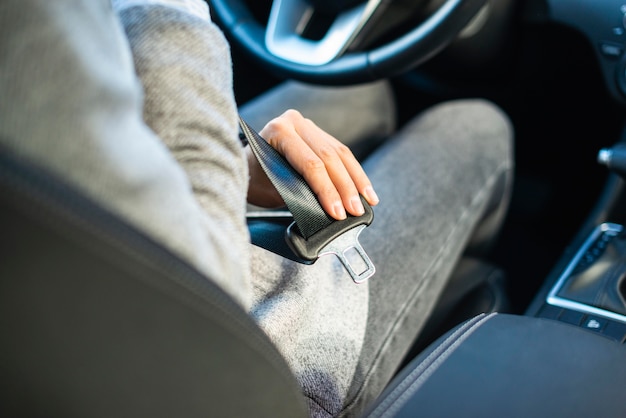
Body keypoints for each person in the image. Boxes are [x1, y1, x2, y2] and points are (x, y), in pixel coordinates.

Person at [0, 0, 514, 416]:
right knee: (475, 126)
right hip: (255, 368)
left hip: (118, 264)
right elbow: (200, 293)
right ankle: (457, 294)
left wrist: (235, 174)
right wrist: (169, 10)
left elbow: (76, 166)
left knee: (359, 92)